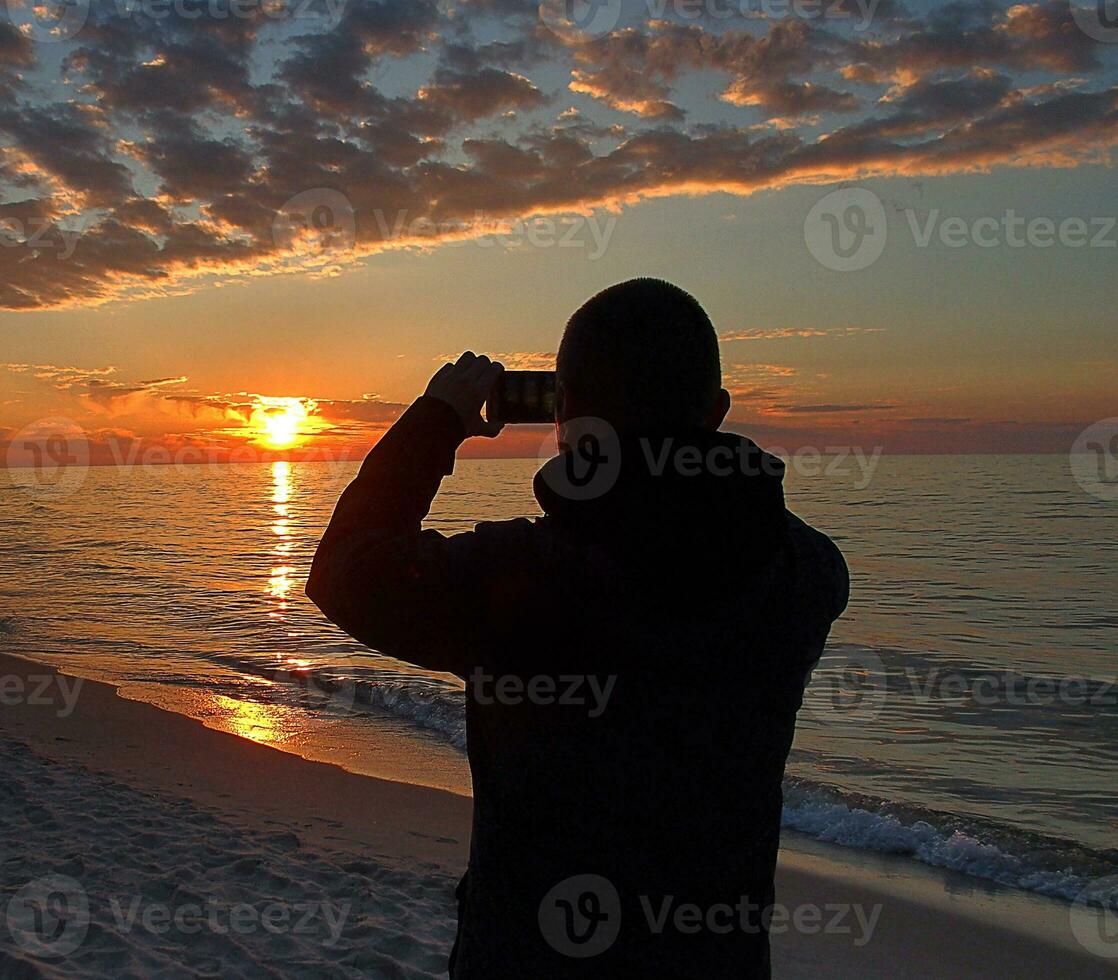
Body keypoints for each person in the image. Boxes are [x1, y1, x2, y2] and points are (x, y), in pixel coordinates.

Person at [305, 278, 849, 978]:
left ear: (564, 416)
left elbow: (345, 569)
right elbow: (728, 522)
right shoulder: (804, 576)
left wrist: (436, 420)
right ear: (715, 412)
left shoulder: (523, 578)